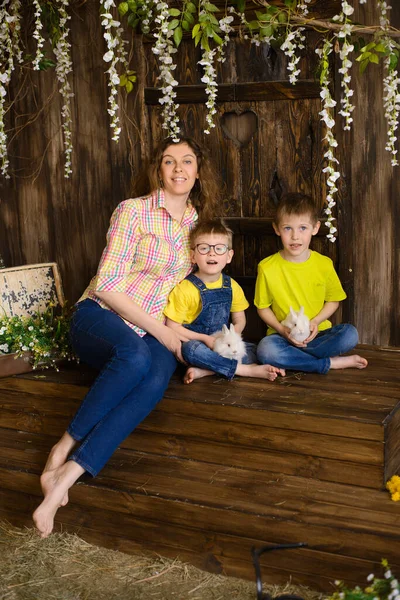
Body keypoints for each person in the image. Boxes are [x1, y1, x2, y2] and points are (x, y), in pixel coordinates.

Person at [32, 136, 221, 538]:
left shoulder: (196, 223)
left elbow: (197, 284)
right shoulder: (133, 211)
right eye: (169, 162)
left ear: (198, 171)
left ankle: (64, 479)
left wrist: (195, 336)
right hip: (99, 317)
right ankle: (61, 446)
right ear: (159, 169)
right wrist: (165, 337)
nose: (178, 169)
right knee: (135, 357)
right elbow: (107, 286)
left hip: (153, 325)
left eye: (187, 161)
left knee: (154, 379)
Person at [255, 193, 368, 374]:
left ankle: (296, 359)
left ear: (315, 228)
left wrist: (316, 321)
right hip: (282, 337)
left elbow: (333, 300)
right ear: (276, 229)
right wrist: (282, 330)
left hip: (318, 335)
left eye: (302, 228)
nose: (295, 236)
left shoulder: (324, 264)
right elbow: (263, 307)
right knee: (265, 350)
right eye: (287, 228)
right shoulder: (267, 267)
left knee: (350, 334)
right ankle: (330, 363)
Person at [164, 219, 285, 383]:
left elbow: (239, 318)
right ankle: (243, 369)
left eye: (219, 248)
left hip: (225, 344)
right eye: (204, 248)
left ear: (229, 256)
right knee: (190, 350)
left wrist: (234, 334)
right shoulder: (185, 289)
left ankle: (208, 370)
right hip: (198, 343)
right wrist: (205, 339)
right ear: (193, 256)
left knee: (258, 351)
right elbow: (172, 327)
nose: (212, 253)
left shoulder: (232, 286)